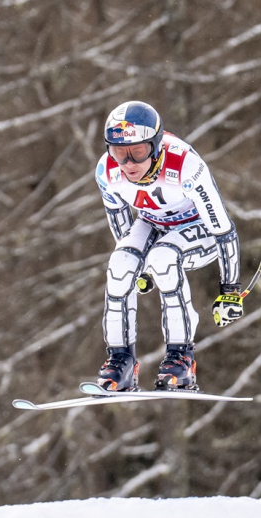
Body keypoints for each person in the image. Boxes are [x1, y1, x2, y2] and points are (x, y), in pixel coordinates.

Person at [93, 100, 243, 392]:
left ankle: (181, 359)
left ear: (156, 145)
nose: (129, 164)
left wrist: (230, 291)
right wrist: (137, 270)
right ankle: (120, 361)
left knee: (163, 258)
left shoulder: (185, 165)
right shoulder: (107, 171)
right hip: (153, 222)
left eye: (138, 152)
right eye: (119, 153)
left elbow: (223, 229)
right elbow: (121, 227)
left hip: (199, 227)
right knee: (120, 265)